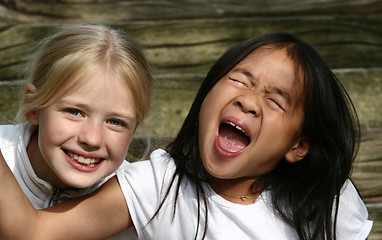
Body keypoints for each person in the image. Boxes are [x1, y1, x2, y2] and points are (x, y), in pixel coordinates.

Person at [0, 32, 372, 240]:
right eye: (240, 81)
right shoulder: (157, 187)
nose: (249, 102)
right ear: (206, 94)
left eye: (275, 101)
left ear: (299, 146)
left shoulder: (326, 198)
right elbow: (34, 232)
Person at [0, 23, 152, 239]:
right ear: (34, 107)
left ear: (134, 129)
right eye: (74, 112)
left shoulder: (134, 204)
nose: (91, 138)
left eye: (116, 122)